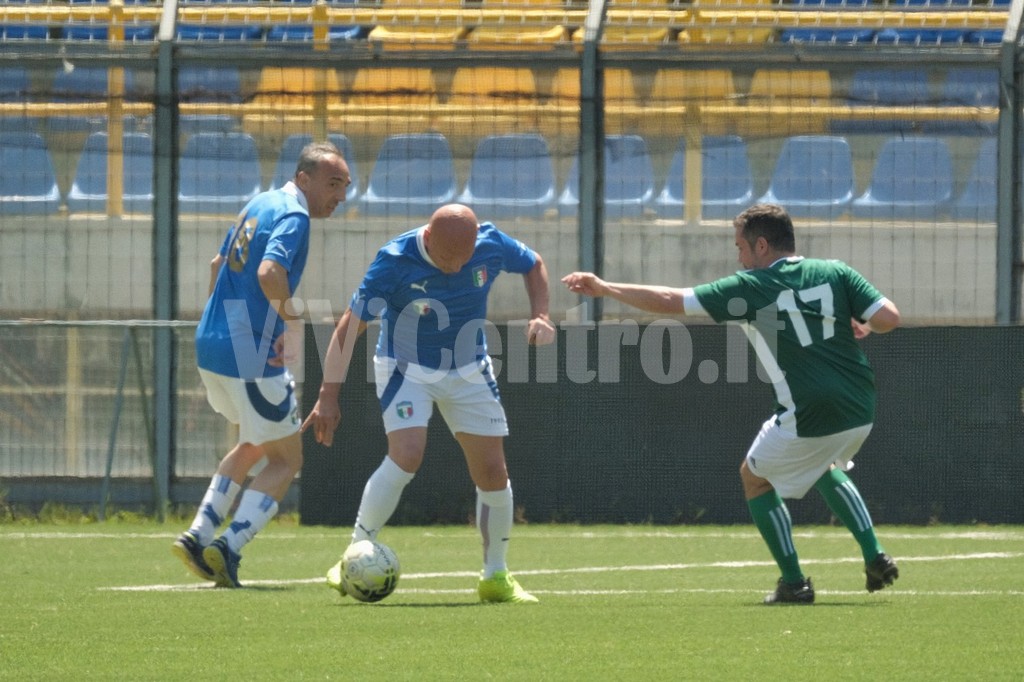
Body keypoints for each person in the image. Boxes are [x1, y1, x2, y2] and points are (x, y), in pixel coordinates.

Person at [562, 203, 902, 605]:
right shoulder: (836, 271)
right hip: (861, 407)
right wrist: (863, 323)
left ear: (762, 246)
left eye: (740, 247)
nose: (739, 257)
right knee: (823, 464)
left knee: (754, 477)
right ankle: (874, 554)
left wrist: (605, 288)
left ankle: (794, 583)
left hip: (810, 411)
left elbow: (672, 299)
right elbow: (889, 318)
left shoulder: (750, 286)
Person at [303, 203, 555, 603]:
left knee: (493, 471)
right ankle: (352, 554)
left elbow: (533, 263)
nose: (455, 268)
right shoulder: (394, 260)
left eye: (464, 258)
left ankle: (495, 575)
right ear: (428, 237)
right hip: (405, 367)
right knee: (407, 454)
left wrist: (541, 314)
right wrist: (327, 395)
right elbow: (350, 326)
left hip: (469, 368)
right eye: (446, 258)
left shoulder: (491, 243)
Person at [172, 142, 352, 588]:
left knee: (254, 443)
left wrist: (221, 324)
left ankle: (198, 535)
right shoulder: (294, 215)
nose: (341, 195)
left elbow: (217, 264)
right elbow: (270, 273)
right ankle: (228, 546)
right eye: (333, 184)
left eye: (346, 186)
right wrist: (291, 324)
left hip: (212, 342)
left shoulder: (259, 202)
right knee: (287, 459)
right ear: (303, 179)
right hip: (250, 351)